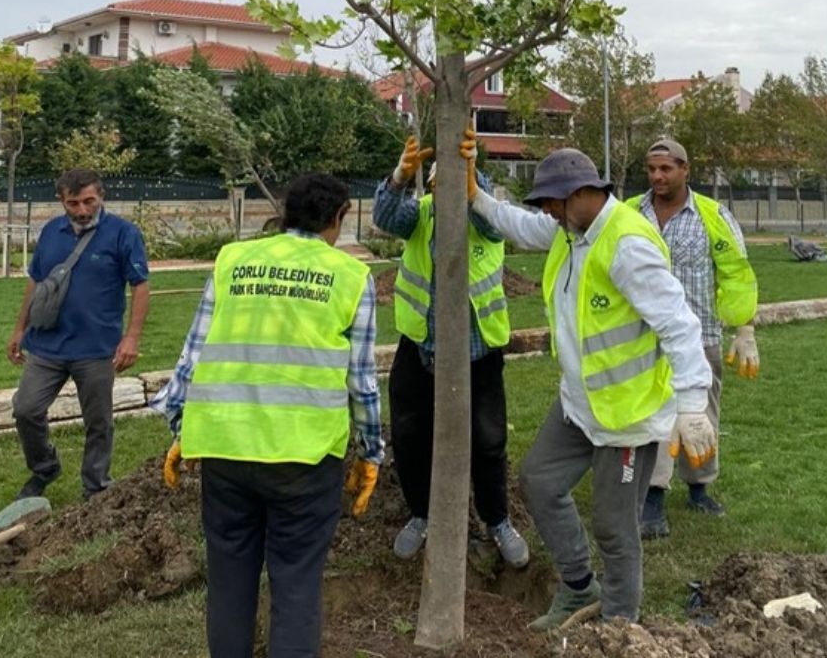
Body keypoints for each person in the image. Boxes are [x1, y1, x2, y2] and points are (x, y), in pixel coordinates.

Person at [465, 146, 714, 629]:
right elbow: (518, 224)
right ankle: (580, 588)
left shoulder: (626, 245)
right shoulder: (569, 229)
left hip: (627, 415)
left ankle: (620, 624)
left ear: (581, 194)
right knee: (539, 480)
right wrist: (475, 196)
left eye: (550, 203)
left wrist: (692, 406)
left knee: (614, 527)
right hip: (579, 405)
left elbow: (680, 325)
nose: (545, 213)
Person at [153, 173, 385, 658]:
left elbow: (192, 356)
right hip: (304, 458)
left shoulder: (233, 260)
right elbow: (360, 381)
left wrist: (182, 427)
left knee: (229, 582)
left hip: (224, 448)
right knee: (296, 583)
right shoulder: (349, 276)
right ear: (339, 218)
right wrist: (371, 453)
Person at [372, 134, 528, 568]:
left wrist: (473, 180)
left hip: (478, 353)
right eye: (439, 184)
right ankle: (421, 515)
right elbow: (386, 216)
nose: (445, 192)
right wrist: (402, 175)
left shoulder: (484, 219)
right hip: (420, 347)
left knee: (488, 439)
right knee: (408, 435)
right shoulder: (420, 216)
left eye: (456, 184)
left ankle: (497, 520)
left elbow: (495, 223)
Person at [626, 138, 759, 539]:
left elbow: (736, 272)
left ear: (686, 169)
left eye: (666, 169)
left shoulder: (712, 215)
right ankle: (653, 495)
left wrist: (745, 327)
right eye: (651, 169)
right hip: (644, 338)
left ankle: (700, 486)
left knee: (702, 413)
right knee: (656, 415)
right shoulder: (630, 214)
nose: (657, 177)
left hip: (700, 335)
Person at [7, 168, 149, 501]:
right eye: (73, 204)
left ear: (101, 196)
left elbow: (140, 285)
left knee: (98, 422)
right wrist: (19, 328)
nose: (82, 211)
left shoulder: (123, 233)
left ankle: (95, 487)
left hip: (97, 347)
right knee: (26, 409)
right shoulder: (51, 232)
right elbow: (36, 281)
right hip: (47, 344)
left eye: (89, 201)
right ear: (61, 201)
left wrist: (131, 338)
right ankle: (44, 467)